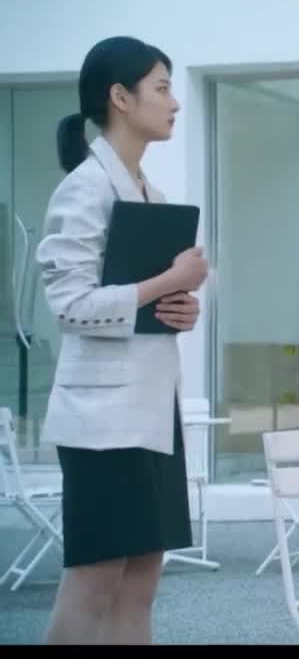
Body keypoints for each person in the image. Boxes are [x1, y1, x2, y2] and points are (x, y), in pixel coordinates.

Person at [38, 36, 209, 644]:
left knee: (140, 587)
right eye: (162, 88)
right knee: (92, 585)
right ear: (120, 97)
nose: (175, 103)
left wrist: (180, 307)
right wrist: (167, 281)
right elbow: (70, 306)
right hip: (103, 424)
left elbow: (139, 305)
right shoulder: (83, 189)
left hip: (152, 415)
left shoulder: (149, 195)